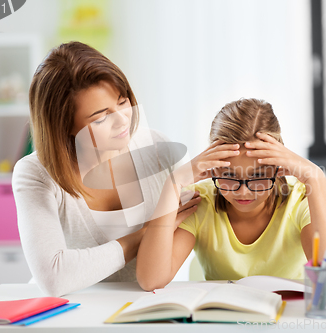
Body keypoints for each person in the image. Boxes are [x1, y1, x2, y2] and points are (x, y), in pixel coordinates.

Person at [12, 41, 197, 297]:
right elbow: (54, 278)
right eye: (100, 117)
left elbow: (205, 214)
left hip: (140, 306)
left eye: (122, 102)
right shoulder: (36, 173)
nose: (122, 120)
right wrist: (152, 231)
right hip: (68, 310)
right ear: (64, 125)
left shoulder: (157, 148)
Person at [136, 98, 326, 291]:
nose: (244, 191)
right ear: (213, 169)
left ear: (277, 167)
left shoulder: (300, 199)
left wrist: (316, 178)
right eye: (229, 176)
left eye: (258, 176)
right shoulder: (200, 201)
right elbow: (151, 280)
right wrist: (173, 183)